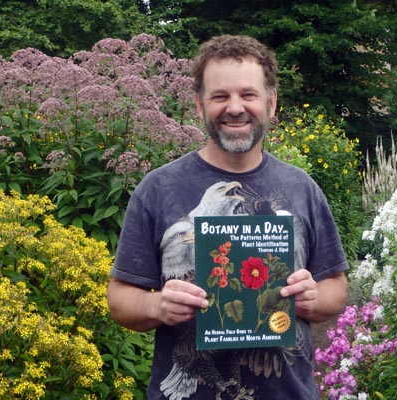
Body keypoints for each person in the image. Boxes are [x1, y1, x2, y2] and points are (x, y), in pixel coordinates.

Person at [107, 34, 349, 400]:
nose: (235, 107)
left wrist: (315, 297)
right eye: (220, 96)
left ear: (270, 102)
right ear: (200, 105)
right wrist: (157, 305)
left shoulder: (301, 188)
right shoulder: (158, 189)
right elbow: (120, 299)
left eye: (248, 95)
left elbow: (336, 287)